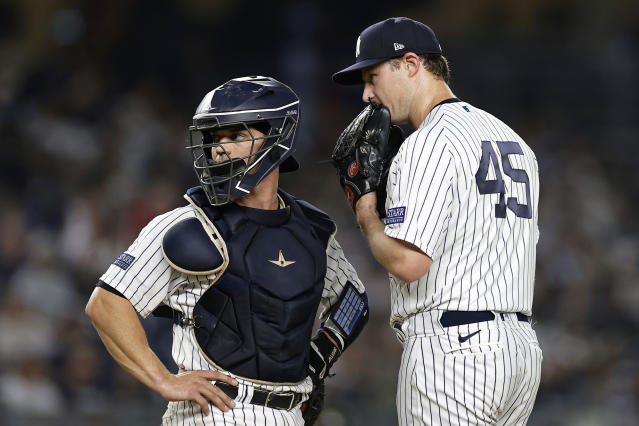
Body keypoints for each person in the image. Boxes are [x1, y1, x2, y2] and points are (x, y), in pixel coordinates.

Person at [85, 76, 369, 426]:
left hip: (292, 413)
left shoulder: (313, 227)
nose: (219, 149)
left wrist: (319, 359)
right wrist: (163, 379)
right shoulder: (188, 224)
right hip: (216, 411)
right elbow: (107, 304)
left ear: (278, 136)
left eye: (235, 136)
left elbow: (353, 299)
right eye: (213, 139)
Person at [332, 17, 542, 425]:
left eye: (373, 77)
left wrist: (367, 216)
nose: (366, 95)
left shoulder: (427, 142)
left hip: (452, 350)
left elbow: (409, 264)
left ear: (410, 64)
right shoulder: (514, 141)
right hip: (520, 352)